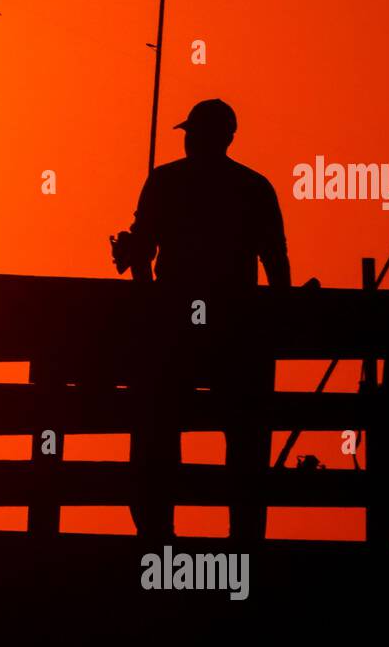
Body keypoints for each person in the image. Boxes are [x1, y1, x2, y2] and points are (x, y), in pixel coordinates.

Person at [116, 99, 291, 541]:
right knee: (244, 442)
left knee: (160, 435)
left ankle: (157, 538)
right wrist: (283, 313)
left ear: (212, 136)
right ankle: (244, 544)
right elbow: (276, 262)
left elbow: (142, 252)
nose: (190, 140)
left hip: (175, 327)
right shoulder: (254, 187)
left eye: (193, 132)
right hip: (238, 330)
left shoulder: (165, 181)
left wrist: (143, 284)